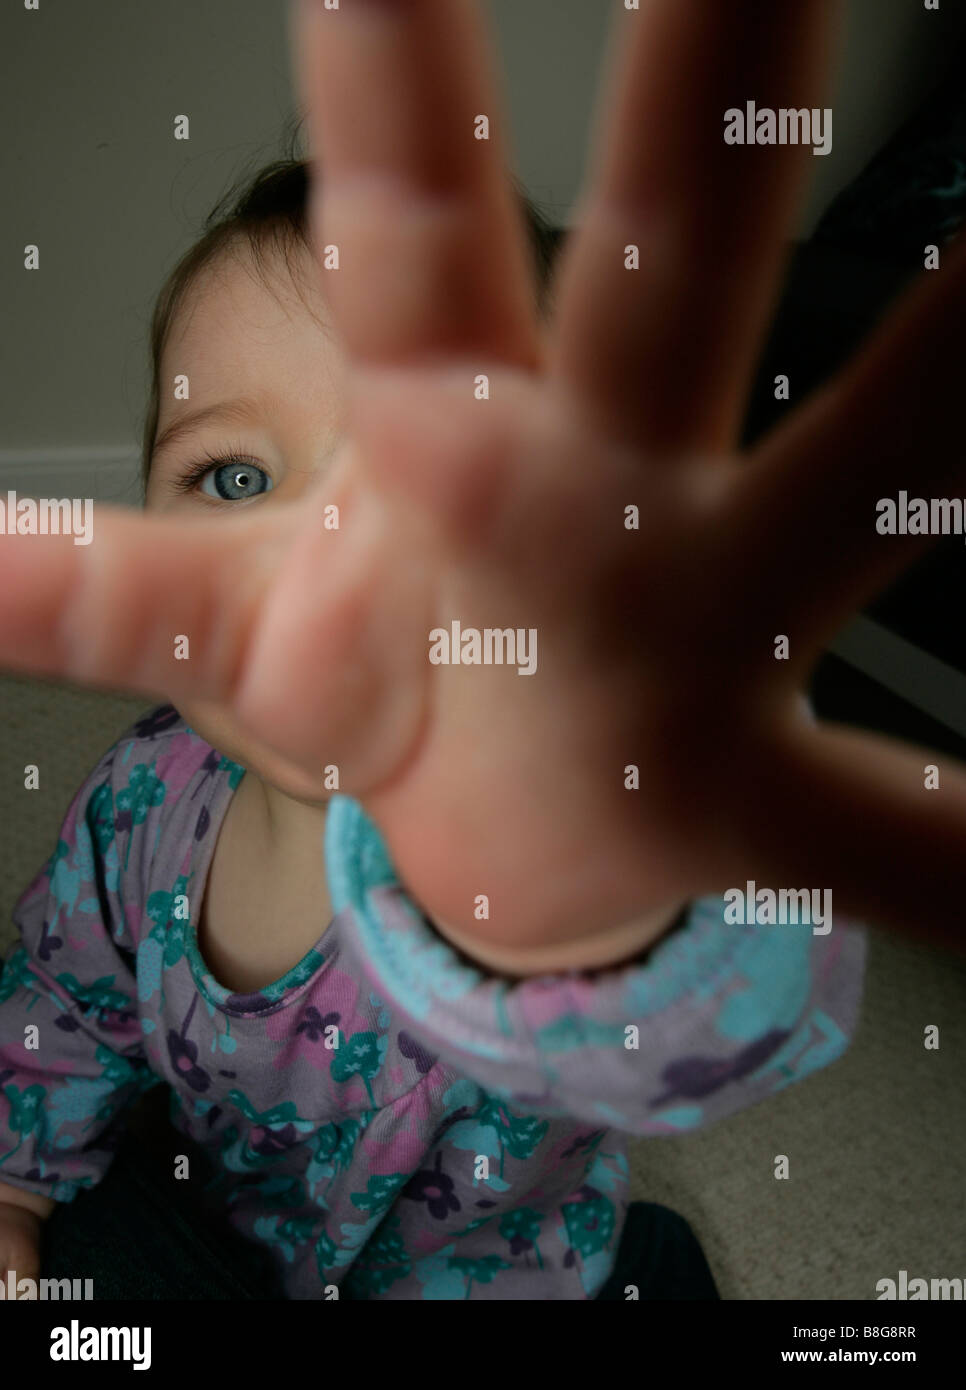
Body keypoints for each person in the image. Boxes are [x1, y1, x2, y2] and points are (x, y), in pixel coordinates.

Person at [0, 0, 960, 1300]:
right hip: (221, 1232)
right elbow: (59, 1006)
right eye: (231, 480)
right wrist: (16, 1180)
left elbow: (722, 975)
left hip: (486, 1272)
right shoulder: (138, 808)